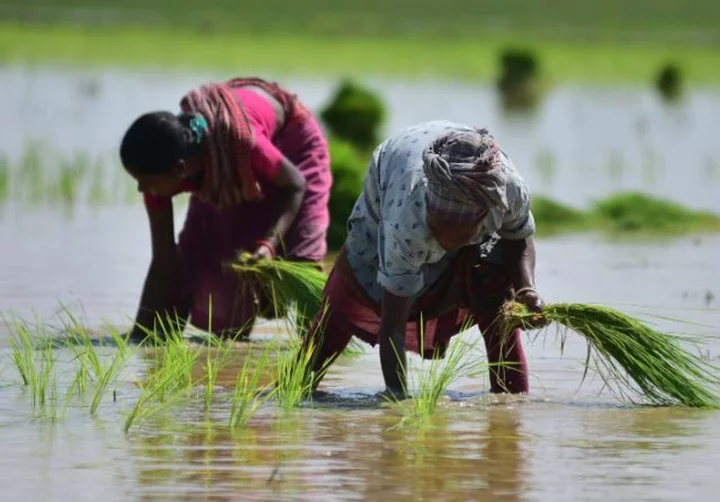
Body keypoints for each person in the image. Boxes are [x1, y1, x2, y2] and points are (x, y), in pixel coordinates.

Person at [302, 120, 543, 395]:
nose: (447, 241)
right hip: (393, 173)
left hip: (465, 173)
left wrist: (527, 289)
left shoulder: (509, 192)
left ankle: (511, 402)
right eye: (439, 226)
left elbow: (519, 238)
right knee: (350, 293)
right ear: (430, 210)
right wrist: (397, 399)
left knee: (497, 299)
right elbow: (392, 327)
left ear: (483, 217)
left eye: (460, 233)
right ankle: (298, 383)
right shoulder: (406, 220)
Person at [119, 77, 332, 340]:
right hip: (227, 162)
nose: (142, 190)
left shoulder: (243, 142)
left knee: (301, 258)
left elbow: (296, 185)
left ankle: (318, 351)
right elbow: (164, 260)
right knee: (205, 256)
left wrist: (269, 244)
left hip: (293, 147)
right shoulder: (168, 170)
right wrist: (139, 336)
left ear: (180, 171)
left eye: (147, 183)